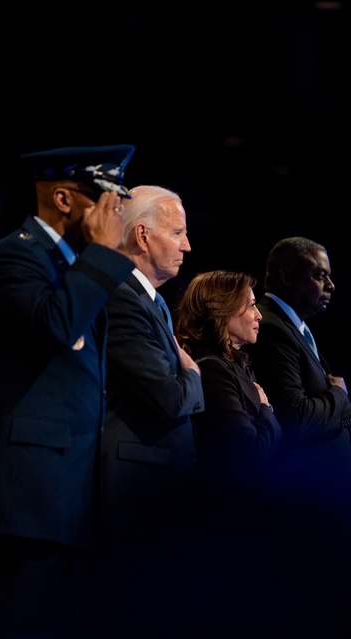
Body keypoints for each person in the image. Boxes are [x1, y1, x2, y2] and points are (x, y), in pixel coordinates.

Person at [0, 144, 136, 639]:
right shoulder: (16, 256)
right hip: (23, 498)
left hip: (64, 500)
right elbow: (56, 325)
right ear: (63, 198)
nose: (118, 213)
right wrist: (103, 256)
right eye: (106, 199)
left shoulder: (71, 265)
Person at [100, 185, 204, 533]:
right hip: (135, 488)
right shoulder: (121, 298)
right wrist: (193, 375)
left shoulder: (151, 302)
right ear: (142, 236)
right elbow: (170, 397)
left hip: (155, 483)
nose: (186, 246)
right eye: (178, 232)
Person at [246, 236, 351, 503]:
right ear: (286, 276)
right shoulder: (271, 327)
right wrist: (340, 396)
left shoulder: (295, 326)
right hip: (309, 495)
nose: (330, 285)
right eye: (320, 275)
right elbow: (295, 418)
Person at [175, 270, 282, 489]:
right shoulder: (212, 371)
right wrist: (266, 408)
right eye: (251, 305)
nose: (259, 315)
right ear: (223, 311)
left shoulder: (236, 366)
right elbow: (248, 454)